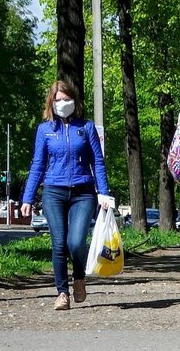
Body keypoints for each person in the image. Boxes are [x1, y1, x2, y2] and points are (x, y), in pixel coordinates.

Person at [20, 80, 112, 311]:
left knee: (76, 242)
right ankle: (62, 293)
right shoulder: (45, 130)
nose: (62, 103)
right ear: (51, 103)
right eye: (58, 100)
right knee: (59, 243)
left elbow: (97, 162)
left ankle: (79, 277)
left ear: (74, 101)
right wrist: (28, 198)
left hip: (83, 192)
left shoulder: (86, 127)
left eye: (67, 99)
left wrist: (103, 192)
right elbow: (38, 164)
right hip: (53, 192)